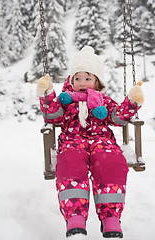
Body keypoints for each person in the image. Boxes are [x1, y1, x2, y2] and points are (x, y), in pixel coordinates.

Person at [36, 46, 144, 239]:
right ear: (71, 81)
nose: (82, 83)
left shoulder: (103, 100)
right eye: (78, 79)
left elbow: (117, 118)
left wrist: (132, 102)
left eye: (88, 78)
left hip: (101, 140)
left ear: (97, 81)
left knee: (112, 162)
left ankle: (110, 217)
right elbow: (53, 116)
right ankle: (75, 216)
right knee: (71, 162)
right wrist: (47, 94)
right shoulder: (66, 101)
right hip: (72, 140)